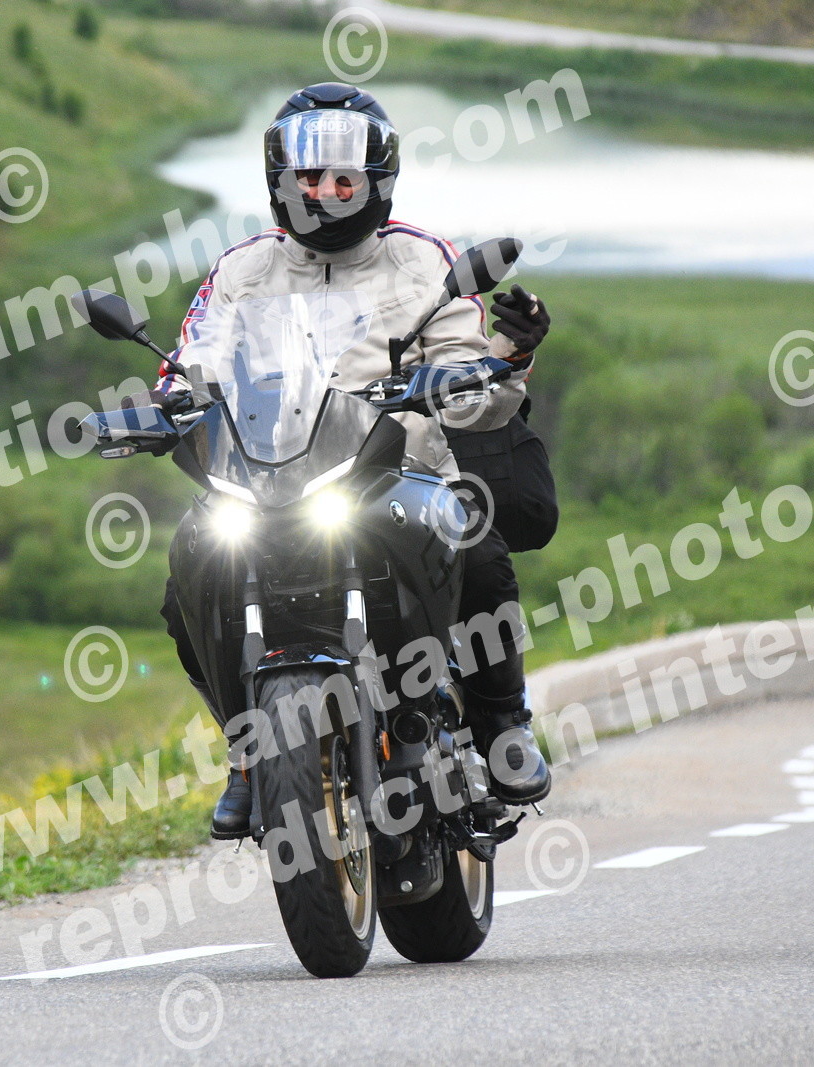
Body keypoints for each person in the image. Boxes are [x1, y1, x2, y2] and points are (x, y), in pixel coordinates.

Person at [156, 82, 553, 838]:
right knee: (191, 570)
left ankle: (504, 724)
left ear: (377, 182)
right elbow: (195, 359)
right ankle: (247, 753)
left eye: (343, 181)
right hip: (265, 481)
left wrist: (504, 359)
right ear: (281, 182)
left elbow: (472, 389)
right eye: (310, 180)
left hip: (400, 475)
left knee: (477, 547)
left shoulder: (424, 262)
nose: (326, 195)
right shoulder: (242, 271)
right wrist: (165, 403)